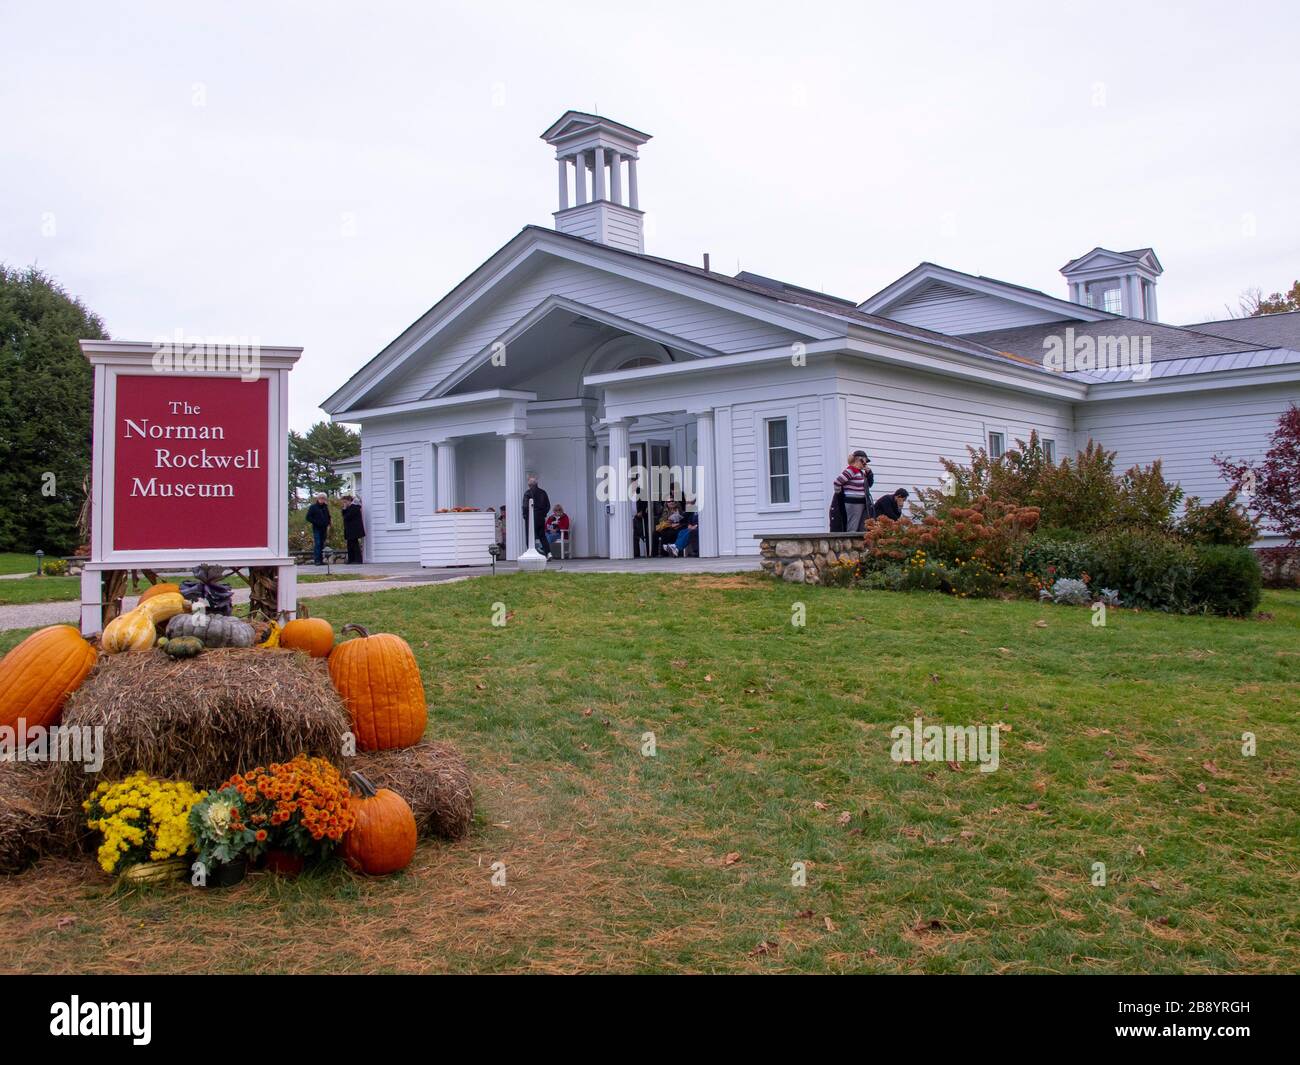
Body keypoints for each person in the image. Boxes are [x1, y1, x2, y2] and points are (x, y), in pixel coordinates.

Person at [832, 451, 874, 532]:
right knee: (853, 526)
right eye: (865, 461)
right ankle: (849, 542)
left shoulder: (860, 472)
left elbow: (869, 485)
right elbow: (837, 482)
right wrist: (840, 495)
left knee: (862, 526)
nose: (866, 464)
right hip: (853, 502)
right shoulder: (851, 470)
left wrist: (869, 473)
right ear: (860, 460)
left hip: (862, 502)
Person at [522, 475, 551, 557]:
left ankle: (531, 553)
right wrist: (543, 514)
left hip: (531, 518)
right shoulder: (543, 492)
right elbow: (548, 506)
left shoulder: (527, 493)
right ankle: (548, 553)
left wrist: (525, 516)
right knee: (542, 536)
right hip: (541, 518)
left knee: (530, 536)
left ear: (529, 485)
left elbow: (525, 506)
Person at [305, 493, 331, 565]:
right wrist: (316, 522)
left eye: (323, 498)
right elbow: (308, 517)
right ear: (318, 499)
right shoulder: (313, 507)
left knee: (322, 544)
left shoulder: (325, 507)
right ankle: (317, 560)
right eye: (321, 498)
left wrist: (328, 523)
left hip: (324, 528)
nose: (322, 499)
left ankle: (321, 560)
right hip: (317, 528)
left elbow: (328, 516)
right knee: (318, 543)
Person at [340, 494, 366, 564]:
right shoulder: (349, 508)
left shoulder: (354, 507)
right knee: (349, 545)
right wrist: (344, 509)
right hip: (349, 529)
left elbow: (347, 517)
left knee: (355, 545)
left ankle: (358, 560)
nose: (344, 504)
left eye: (345, 502)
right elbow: (343, 515)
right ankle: (351, 559)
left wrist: (345, 509)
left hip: (354, 529)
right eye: (343, 502)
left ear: (349, 501)